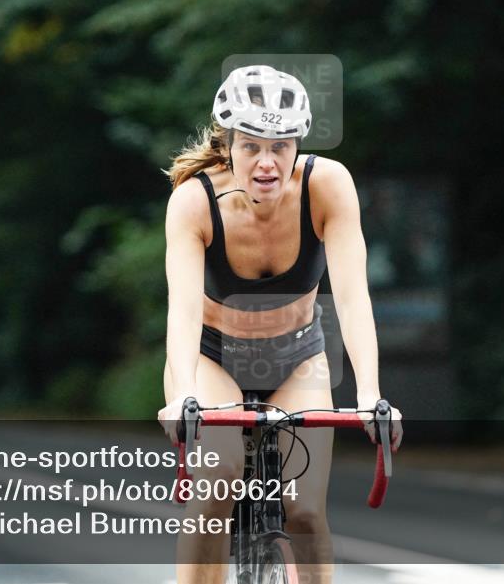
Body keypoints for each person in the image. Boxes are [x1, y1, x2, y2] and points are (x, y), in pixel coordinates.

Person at [158, 65, 403, 584]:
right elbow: (180, 309)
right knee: (218, 484)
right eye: (251, 147)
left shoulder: (327, 186)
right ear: (227, 146)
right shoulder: (194, 201)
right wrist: (181, 395)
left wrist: (371, 395)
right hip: (212, 357)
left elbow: (354, 297)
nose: (267, 163)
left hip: (298, 357)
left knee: (307, 513)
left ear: (297, 145)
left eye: (281, 146)